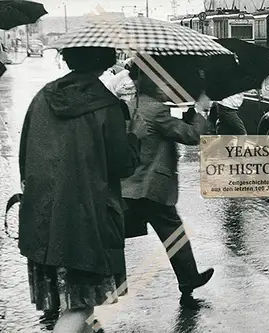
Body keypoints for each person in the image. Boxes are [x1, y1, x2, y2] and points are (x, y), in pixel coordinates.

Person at [18, 47, 141, 333]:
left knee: (70, 304)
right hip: (86, 220)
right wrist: (133, 137)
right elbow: (121, 166)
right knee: (80, 305)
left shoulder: (43, 97)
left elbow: (26, 156)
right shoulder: (108, 106)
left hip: (42, 219)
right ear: (106, 62)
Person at [122, 59, 214, 307]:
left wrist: (188, 115)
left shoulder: (132, 105)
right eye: (160, 80)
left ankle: (189, 279)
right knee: (174, 233)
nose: (165, 85)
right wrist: (201, 111)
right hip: (151, 187)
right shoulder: (155, 109)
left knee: (113, 235)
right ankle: (188, 279)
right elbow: (191, 136)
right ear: (150, 83)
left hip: (128, 185)